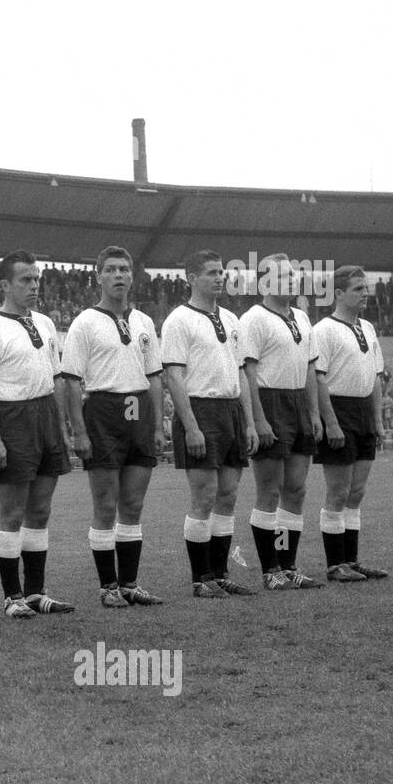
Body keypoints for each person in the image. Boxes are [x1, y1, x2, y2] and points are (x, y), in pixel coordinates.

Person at [0, 250, 75, 618]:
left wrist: (61, 425)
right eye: (25, 280)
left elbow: (57, 377)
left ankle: (35, 593)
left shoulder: (45, 323)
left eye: (36, 279)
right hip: (11, 418)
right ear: (4, 285)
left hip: (46, 414)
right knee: (12, 511)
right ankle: (11, 596)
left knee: (41, 510)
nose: (33, 286)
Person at [60, 246, 165, 608]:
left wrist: (157, 425)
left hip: (139, 411)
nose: (119, 275)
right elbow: (71, 380)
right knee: (105, 504)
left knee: (133, 503)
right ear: (99, 276)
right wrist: (79, 431)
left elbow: (154, 377)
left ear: (132, 276)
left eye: (124, 269)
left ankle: (130, 584)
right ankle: (108, 586)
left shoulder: (144, 322)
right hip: (103, 411)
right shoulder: (84, 322)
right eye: (111, 269)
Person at [161, 250, 258, 598]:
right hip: (200, 410)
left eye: (222, 272)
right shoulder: (178, 320)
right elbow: (174, 375)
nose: (220, 278)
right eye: (211, 273)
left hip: (231, 410)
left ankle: (220, 573)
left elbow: (241, 374)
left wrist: (248, 422)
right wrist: (191, 426)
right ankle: (200, 578)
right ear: (191, 278)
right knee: (204, 496)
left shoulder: (232, 319)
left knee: (228, 496)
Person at [240, 253, 326, 589]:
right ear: (264, 282)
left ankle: (289, 567)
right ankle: (270, 570)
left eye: (294, 275)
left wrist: (314, 413)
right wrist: (258, 418)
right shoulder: (253, 319)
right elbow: (247, 371)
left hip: (298, 405)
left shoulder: (303, 318)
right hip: (270, 402)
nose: (293, 280)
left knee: (297, 489)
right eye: (284, 276)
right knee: (270, 490)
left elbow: (309, 368)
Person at [313, 266, 389, 582]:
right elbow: (318, 378)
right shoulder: (324, 330)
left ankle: (352, 561)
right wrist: (330, 422)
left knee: (357, 491)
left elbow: (375, 377)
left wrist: (378, 420)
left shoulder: (368, 328)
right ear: (339, 293)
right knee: (338, 490)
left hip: (363, 414)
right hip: (338, 410)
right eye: (358, 289)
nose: (364, 294)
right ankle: (335, 564)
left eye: (365, 288)